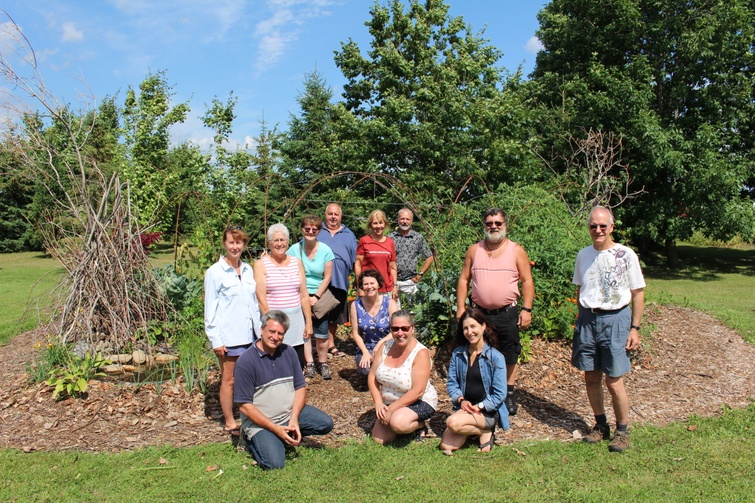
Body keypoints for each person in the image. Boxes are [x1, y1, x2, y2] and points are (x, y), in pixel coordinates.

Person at [572, 206, 645, 453]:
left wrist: (634, 328)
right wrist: (580, 318)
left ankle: (622, 431)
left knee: (614, 381)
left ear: (611, 227)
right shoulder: (583, 255)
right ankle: (600, 425)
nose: (598, 230)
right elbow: (580, 287)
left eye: (603, 226)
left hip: (616, 319)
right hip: (588, 320)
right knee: (591, 377)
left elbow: (638, 292)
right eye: (593, 226)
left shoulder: (626, 254)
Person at [456, 207, 534, 416]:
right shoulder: (475, 250)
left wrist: (526, 309)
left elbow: (527, 281)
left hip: (507, 313)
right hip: (479, 313)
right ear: (484, 225)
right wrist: (461, 307)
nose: (494, 227)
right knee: (478, 352)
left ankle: (508, 392)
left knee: (510, 353)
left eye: (498, 223)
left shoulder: (516, 250)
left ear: (505, 225)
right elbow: (464, 279)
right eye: (490, 223)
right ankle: (483, 392)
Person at [234, 310, 334, 470]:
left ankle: (284, 434)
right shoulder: (246, 361)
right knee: (274, 464)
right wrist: (275, 429)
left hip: (288, 415)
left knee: (325, 423)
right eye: (271, 331)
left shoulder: (289, 353)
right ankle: (250, 439)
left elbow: (300, 388)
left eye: (280, 333)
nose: (275, 337)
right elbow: (245, 406)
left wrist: (294, 419)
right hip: (261, 422)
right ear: (261, 330)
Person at [204, 225, 262, 436]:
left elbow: (253, 304)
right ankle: (230, 421)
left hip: (251, 335)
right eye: (231, 242)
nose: (235, 247)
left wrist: (260, 331)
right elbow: (210, 308)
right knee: (229, 379)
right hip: (229, 336)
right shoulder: (215, 272)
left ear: (243, 244)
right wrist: (216, 339)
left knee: (251, 377)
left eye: (239, 243)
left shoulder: (247, 269)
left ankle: (249, 416)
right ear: (224, 244)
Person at [440, 308, 509, 455]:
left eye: (473, 326)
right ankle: (481, 432)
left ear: (483, 326)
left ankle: (485, 428)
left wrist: (479, 406)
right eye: (465, 328)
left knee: (452, 423)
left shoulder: (496, 358)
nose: (469, 332)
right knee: (446, 446)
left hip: (487, 412)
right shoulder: (458, 354)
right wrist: (461, 400)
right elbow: (452, 383)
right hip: (465, 408)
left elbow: (500, 394)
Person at [368, 310, 438, 444]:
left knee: (398, 424)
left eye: (404, 328)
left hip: (418, 400)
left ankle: (420, 425)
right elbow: (372, 377)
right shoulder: (385, 347)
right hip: (390, 401)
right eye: (395, 329)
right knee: (379, 439)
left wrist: (392, 410)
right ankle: (398, 421)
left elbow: (418, 391)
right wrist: (378, 403)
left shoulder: (421, 353)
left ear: (412, 329)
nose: (400, 333)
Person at [254, 223, 314, 373]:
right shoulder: (261, 265)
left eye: (282, 240)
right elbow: (262, 299)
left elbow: (304, 295)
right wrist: (270, 326)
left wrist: (309, 322)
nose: (279, 244)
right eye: (275, 240)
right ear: (269, 243)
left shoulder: (296, 263)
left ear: (287, 242)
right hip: (275, 323)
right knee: (275, 365)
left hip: (296, 322)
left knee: (297, 363)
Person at [287, 215, 335, 380]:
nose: (310, 231)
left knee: (321, 332)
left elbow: (327, 276)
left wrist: (316, 296)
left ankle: (323, 362)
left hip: (318, 295)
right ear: (302, 229)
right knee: (305, 331)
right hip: (298, 295)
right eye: (307, 229)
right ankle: (309, 363)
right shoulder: (294, 250)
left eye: (314, 229)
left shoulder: (325, 250)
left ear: (319, 231)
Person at [317, 203, 358, 358]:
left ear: (341, 216)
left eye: (336, 214)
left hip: (340, 280)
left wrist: (358, 280)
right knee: (319, 312)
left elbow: (356, 259)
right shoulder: (318, 231)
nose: (333, 217)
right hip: (319, 281)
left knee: (334, 314)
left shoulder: (349, 234)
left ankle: (330, 344)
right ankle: (318, 345)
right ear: (325, 215)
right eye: (330, 214)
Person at [349, 270, 399, 375]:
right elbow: (355, 333)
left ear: (378, 284)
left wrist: (380, 343)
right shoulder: (356, 305)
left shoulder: (389, 303)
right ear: (362, 287)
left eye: (372, 283)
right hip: (366, 347)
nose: (369, 286)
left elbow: (396, 330)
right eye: (366, 284)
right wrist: (365, 352)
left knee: (384, 370)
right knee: (366, 370)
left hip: (388, 345)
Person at [388, 208, 434, 307]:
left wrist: (420, 275)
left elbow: (429, 257)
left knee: (415, 312)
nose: (405, 221)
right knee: (394, 313)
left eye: (407, 219)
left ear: (412, 221)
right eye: (402, 219)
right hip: (393, 282)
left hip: (411, 282)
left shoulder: (418, 238)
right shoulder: (390, 238)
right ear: (398, 219)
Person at [355, 210, 397, 300]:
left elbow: (393, 267)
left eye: (381, 223)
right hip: (368, 288)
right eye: (375, 223)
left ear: (385, 224)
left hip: (386, 288)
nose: (378, 226)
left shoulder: (390, 242)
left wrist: (395, 287)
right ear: (370, 225)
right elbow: (358, 264)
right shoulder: (364, 241)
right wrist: (360, 286)